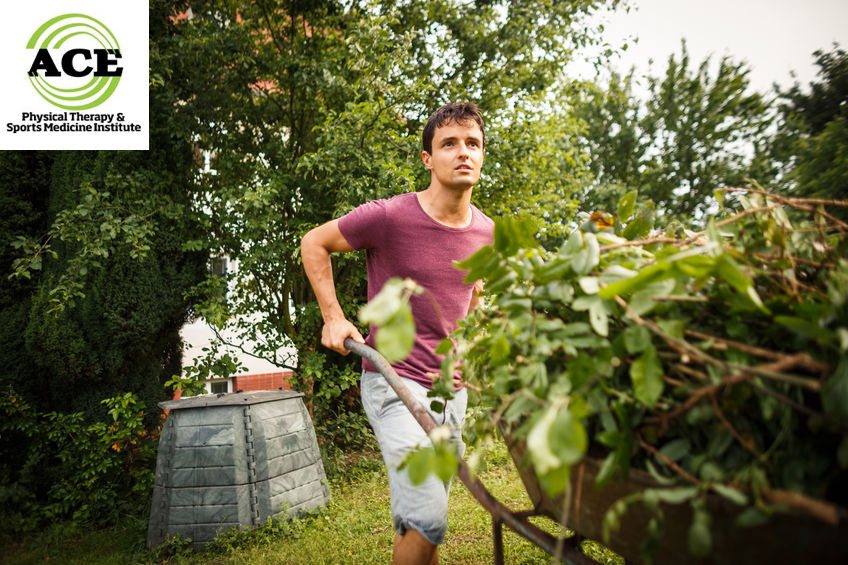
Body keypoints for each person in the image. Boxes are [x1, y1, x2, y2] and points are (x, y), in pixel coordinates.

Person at [301, 101, 494, 565]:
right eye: (449, 144)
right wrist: (333, 316)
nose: (463, 152)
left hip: (454, 391)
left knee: (424, 514)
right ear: (428, 158)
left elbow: (475, 297)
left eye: (473, 144)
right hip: (395, 381)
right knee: (429, 515)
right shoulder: (389, 217)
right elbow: (315, 242)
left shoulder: (487, 231)